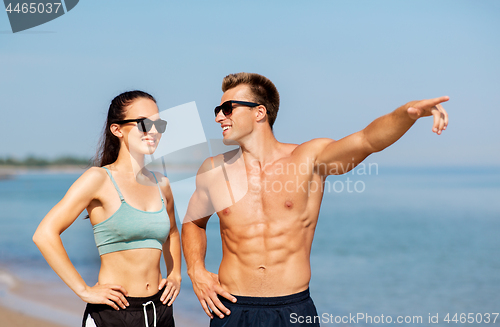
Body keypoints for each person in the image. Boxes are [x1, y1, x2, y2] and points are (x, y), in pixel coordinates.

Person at [181, 72, 449, 327]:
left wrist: (407, 113)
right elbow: (193, 222)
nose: (219, 118)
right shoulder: (213, 171)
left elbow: (367, 140)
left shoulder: (308, 159)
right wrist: (196, 271)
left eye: (228, 109)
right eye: (217, 110)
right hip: (231, 309)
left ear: (259, 112)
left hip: (293, 310)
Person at [33, 91, 181, 327]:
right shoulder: (98, 179)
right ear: (117, 130)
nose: (153, 131)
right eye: (144, 123)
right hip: (113, 313)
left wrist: (175, 274)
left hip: (160, 311)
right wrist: (83, 290)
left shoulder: (161, 183)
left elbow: (172, 232)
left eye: (158, 124)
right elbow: (44, 234)